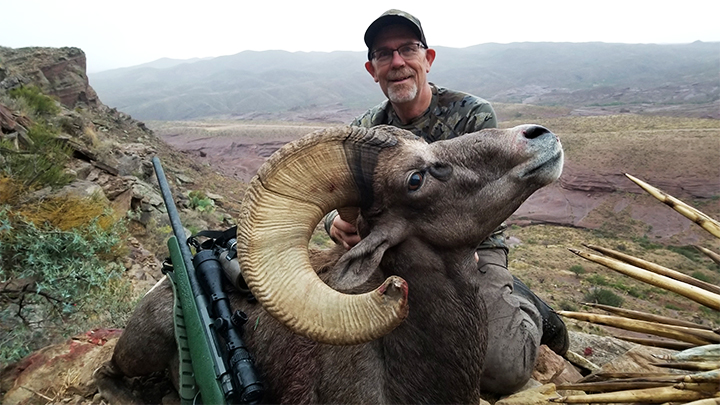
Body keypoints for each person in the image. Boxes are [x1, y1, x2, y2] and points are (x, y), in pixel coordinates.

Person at [324, 9, 569, 395]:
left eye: (408, 49)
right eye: (384, 54)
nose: (398, 62)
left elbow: (494, 191)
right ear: (372, 69)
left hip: (470, 248)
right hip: (402, 254)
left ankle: (524, 304)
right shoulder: (362, 133)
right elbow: (338, 201)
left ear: (428, 58)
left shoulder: (471, 113)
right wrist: (334, 224)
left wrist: (464, 248)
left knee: (501, 371)